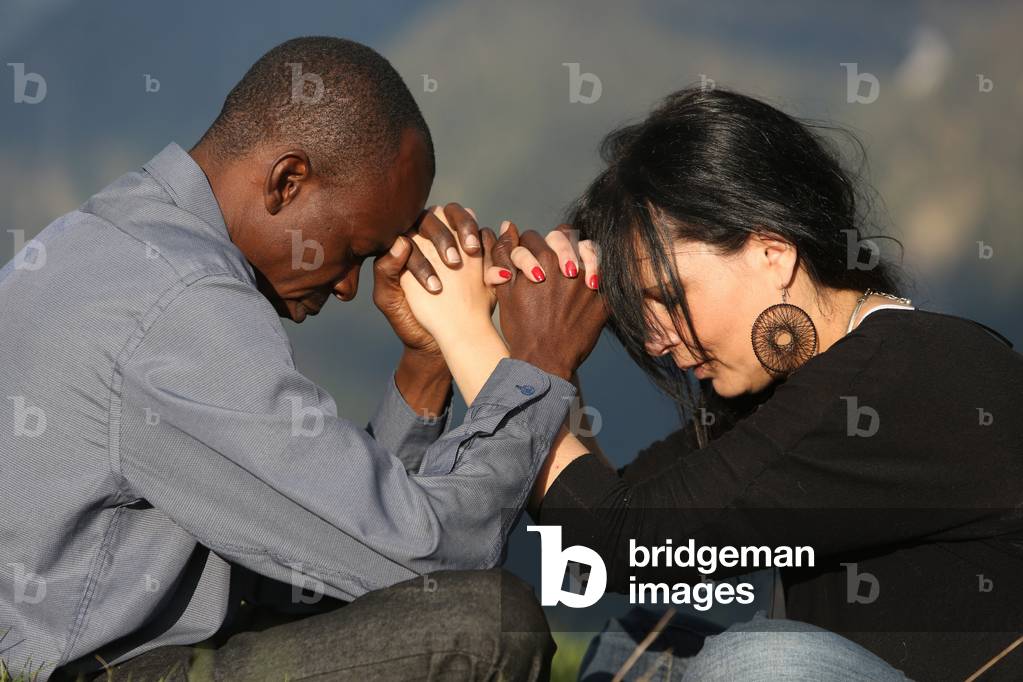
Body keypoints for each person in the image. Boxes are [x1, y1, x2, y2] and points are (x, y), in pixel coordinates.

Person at [0, 37, 602, 682]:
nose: (345, 286)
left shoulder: (118, 240)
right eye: (351, 249)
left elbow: (333, 541)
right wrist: (539, 367)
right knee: (483, 625)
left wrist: (425, 365)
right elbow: (428, 560)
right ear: (288, 182)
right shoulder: (182, 299)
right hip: (96, 671)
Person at [475, 87, 1023, 680]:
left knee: (762, 662)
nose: (656, 340)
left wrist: (539, 364)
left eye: (667, 295)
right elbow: (595, 538)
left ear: (772, 252)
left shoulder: (908, 373)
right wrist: (544, 359)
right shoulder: (798, 388)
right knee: (638, 645)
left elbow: (621, 541)